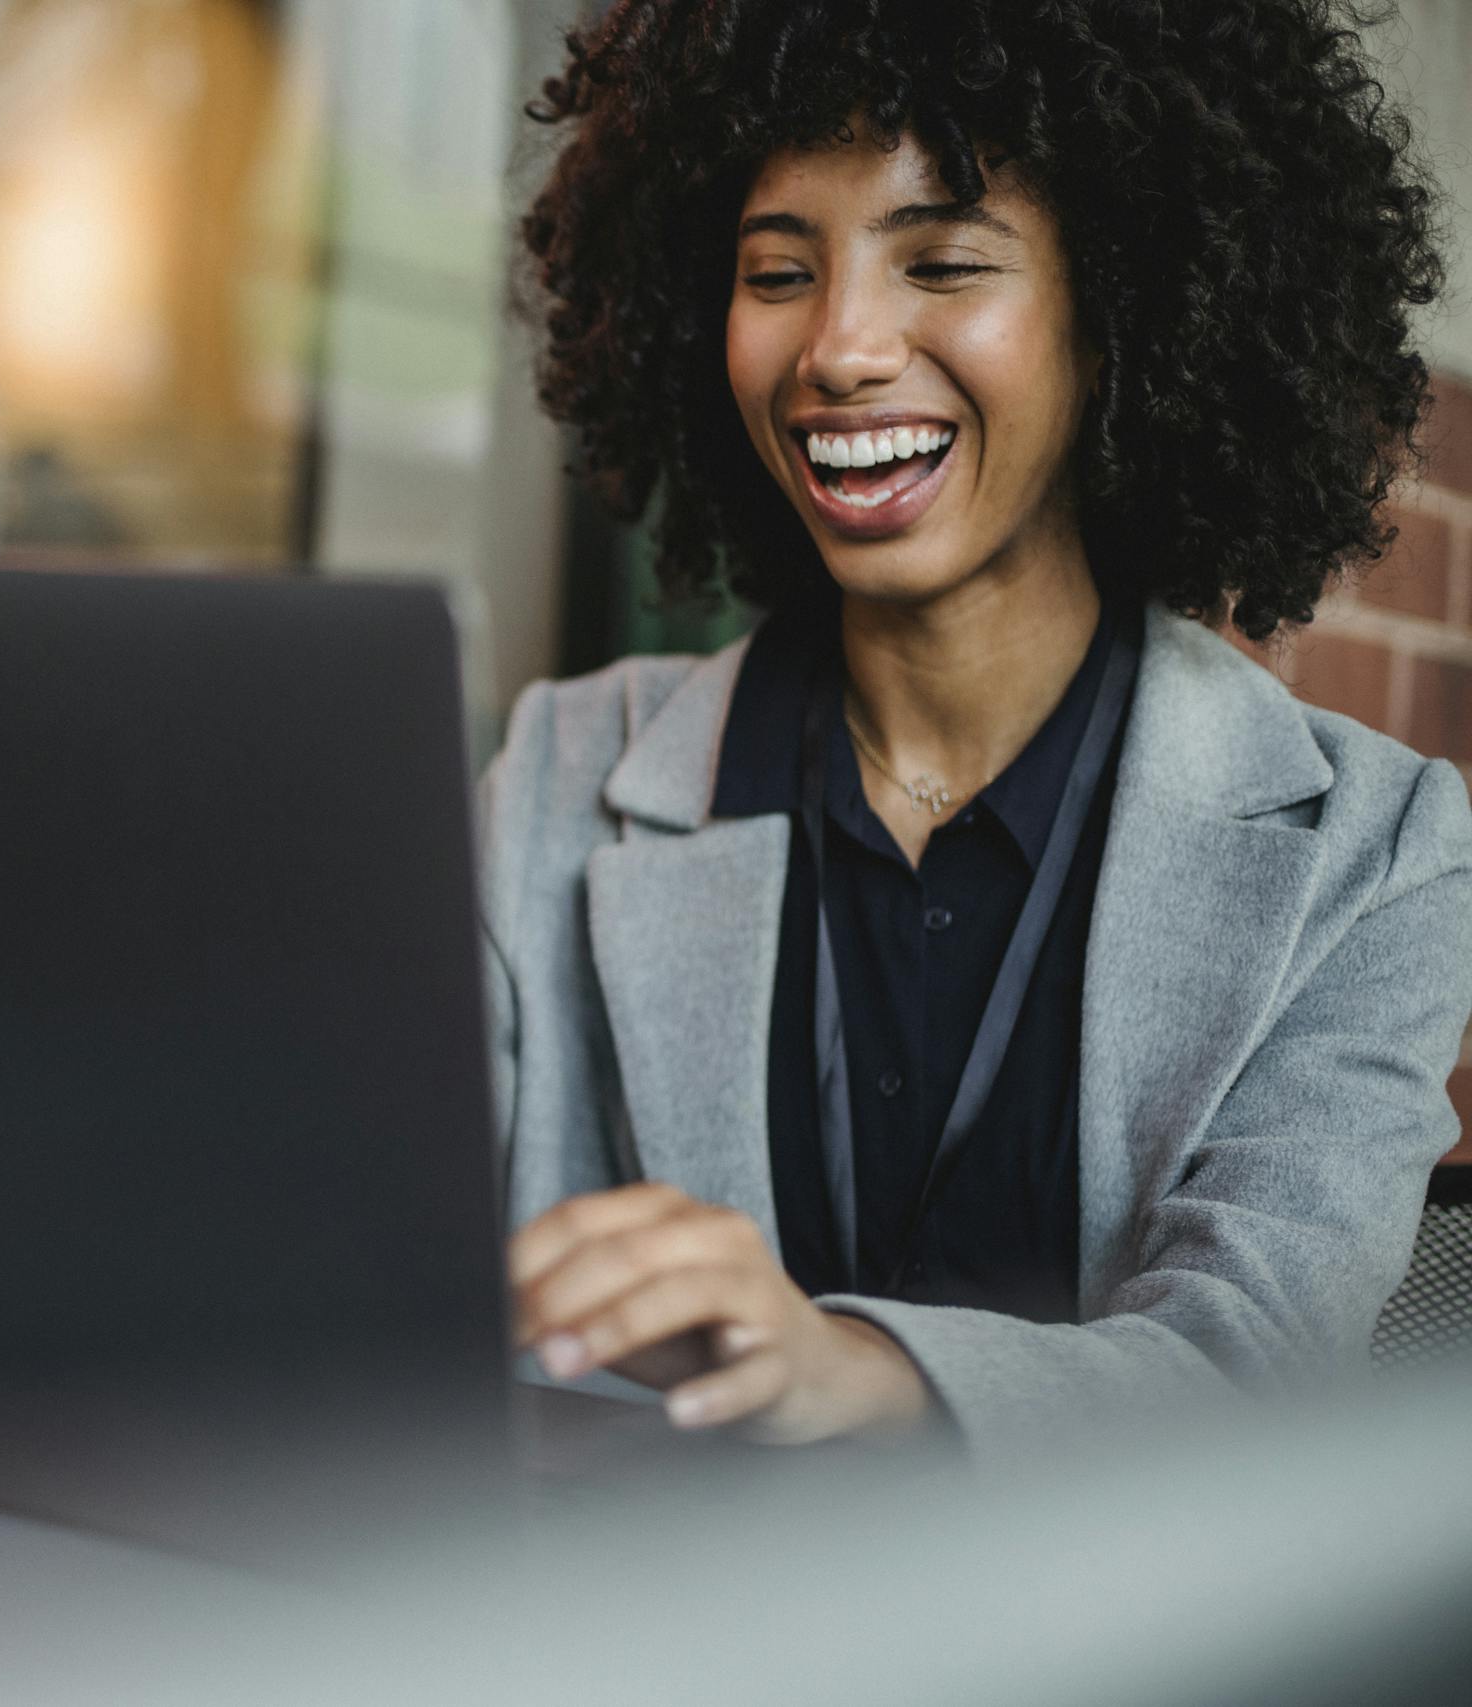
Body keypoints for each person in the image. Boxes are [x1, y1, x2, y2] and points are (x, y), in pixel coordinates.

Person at [490, 0, 1472, 1454]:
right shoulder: (560, 777)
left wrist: (836, 1370)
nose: (839, 347)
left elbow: (1251, 1373)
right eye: (778, 272)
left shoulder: (1374, 858)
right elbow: (381, 1243)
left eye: (942, 261)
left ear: (1123, 312)